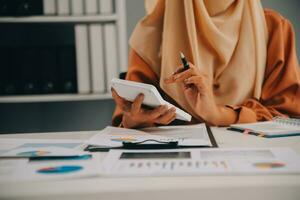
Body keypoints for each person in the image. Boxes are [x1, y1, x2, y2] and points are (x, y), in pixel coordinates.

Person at [112, 0, 300, 129]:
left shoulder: (274, 28)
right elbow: (127, 121)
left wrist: (218, 114)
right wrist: (135, 121)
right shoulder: (153, 32)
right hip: (172, 168)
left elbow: (286, 119)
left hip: (251, 165)